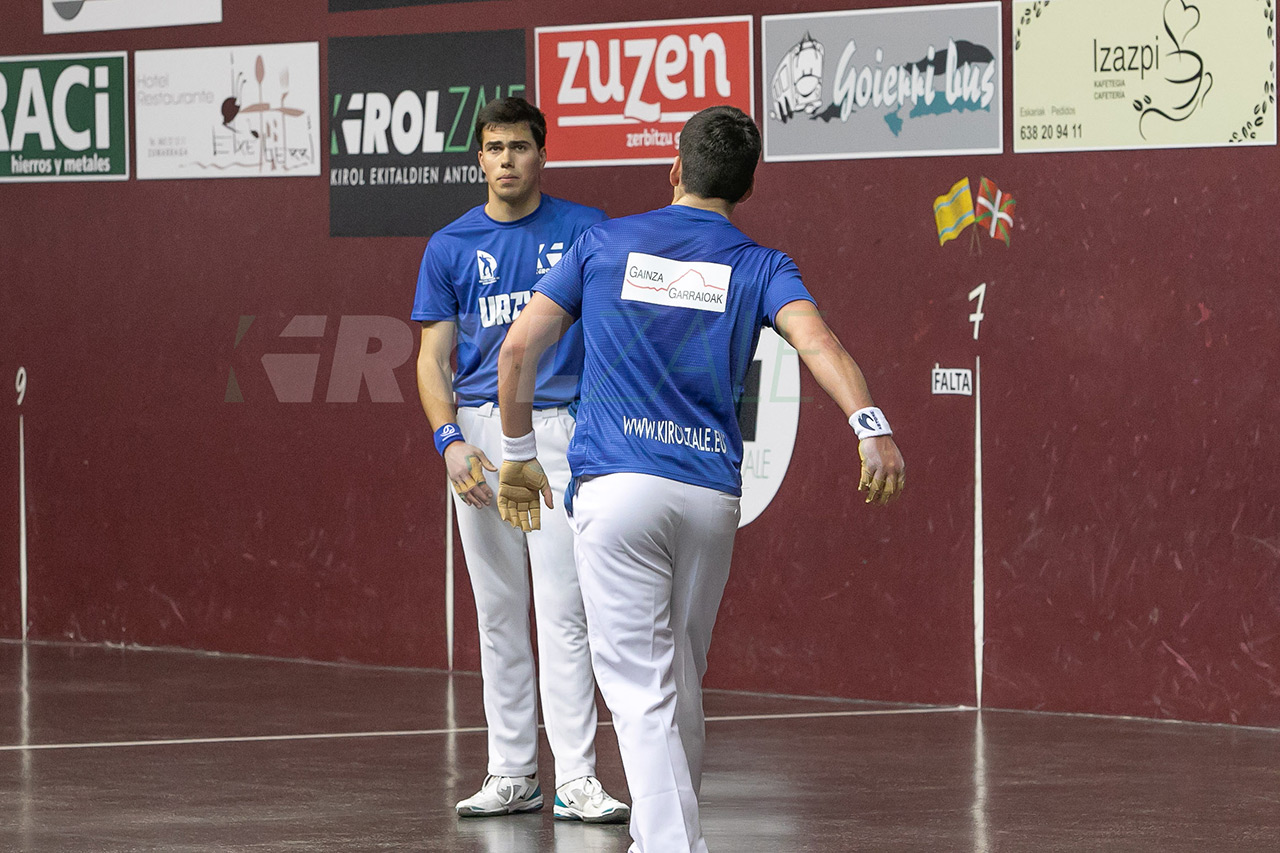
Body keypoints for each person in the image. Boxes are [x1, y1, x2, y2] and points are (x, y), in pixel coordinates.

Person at [493, 105, 905, 852]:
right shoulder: (761, 265)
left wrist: (519, 452)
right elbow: (820, 341)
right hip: (708, 498)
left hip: (618, 493)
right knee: (678, 680)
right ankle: (668, 840)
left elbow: (517, 350)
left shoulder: (602, 242)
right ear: (746, 187)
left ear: (675, 168)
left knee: (643, 694)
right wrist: (868, 424)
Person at [411, 97, 628, 823]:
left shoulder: (584, 231)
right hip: (477, 436)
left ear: (543, 154)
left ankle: (576, 778)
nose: (506, 160)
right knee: (499, 609)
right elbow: (431, 359)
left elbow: (608, 334)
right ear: (479, 158)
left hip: (560, 432)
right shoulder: (448, 246)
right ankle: (512, 771)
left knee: (565, 608)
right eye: (493, 148)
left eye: (520, 147)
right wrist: (449, 442)